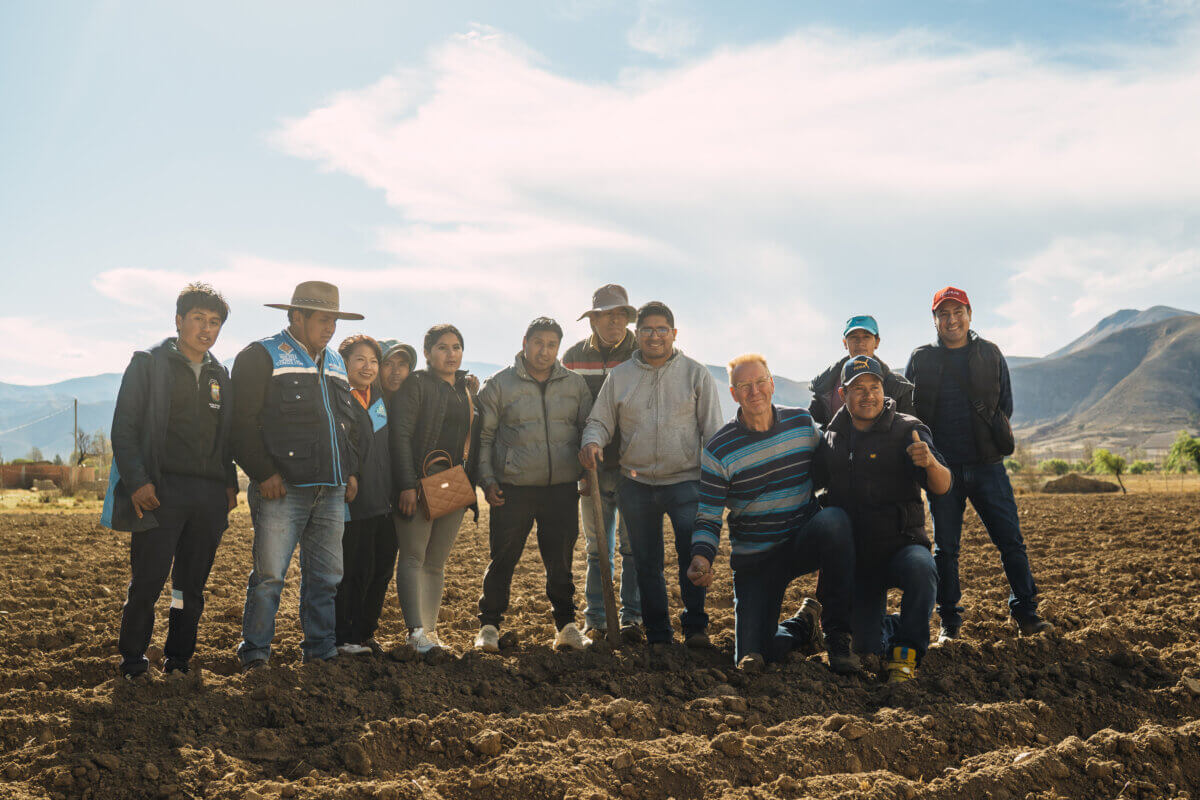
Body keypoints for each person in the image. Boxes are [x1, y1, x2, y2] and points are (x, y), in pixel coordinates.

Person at [686, 354, 858, 674]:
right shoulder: (718, 450)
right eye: (745, 386)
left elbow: (829, 468)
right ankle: (802, 626)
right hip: (756, 559)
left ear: (772, 384)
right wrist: (701, 557)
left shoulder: (801, 424)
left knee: (835, 521)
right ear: (734, 394)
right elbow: (708, 516)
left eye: (760, 382)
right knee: (754, 657)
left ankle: (837, 635)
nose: (755, 392)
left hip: (801, 542)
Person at [103, 283, 238, 680]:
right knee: (147, 581)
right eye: (198, 319)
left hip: (208, 497)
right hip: (161, 492)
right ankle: (133, 660)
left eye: (214, 322)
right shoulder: (149, 364)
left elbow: (226, 437)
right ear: (179, 320)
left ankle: (178, 659)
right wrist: (138, 482)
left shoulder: (220, 374)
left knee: (188, 588)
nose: (206, 329)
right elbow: (124, 429)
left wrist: (228, 485)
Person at [905, 286, 1051, 642]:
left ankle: (1026, 614)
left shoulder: (990, 353)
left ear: (969, 315)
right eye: (943, 314)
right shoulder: (921, 359)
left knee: (1011, 541)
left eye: (958, 312)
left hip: (988, 466)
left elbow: (1005, 405)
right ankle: (949, 622)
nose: (951, 320)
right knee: (946, 550)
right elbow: (909, 412)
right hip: (943, 470)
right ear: (934, 320)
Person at [232, 281, 364, 669]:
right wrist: (263, 473)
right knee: (270, 576)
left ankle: (320, 650)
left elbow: (347, 424)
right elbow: (240, 424)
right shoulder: (261, 356)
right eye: (323, 320)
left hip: (332, 489)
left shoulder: (336, 362)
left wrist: (350, 471)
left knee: (327, 576)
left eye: (334, 321)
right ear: (296, 317)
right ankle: (256, 653)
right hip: (282, 489)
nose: (330, 328)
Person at [580, 301, 723, 648]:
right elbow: (599, 420)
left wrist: (717, 481)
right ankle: (658, 635)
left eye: (662, 330)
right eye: (647, 330)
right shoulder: (621, 376)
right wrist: (592, 441)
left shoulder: (696, 374)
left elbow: (713, 432)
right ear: (638, 334)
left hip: (686, 482)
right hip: (636, 482)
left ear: (674, 333)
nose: (654, 336)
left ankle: (695, 627)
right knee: (646, 562)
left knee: (691, 554)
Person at [815, 355, 951, 682]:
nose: (868, 395)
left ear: (884, 390)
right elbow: (811, 483)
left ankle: (906, 652)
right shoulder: (832, 437)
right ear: (843, 394)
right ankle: (893, 626)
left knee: (922, 568)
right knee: (866, 647)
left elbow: (943, 485)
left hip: (901, 547)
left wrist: (930, 463)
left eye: (874, 387)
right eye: (858, 388)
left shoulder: (908, 429)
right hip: (859, 560)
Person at [474, 318, 593, 651]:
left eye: (552, 344)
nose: (544, 351)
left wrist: (585, 473)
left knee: (561, 561)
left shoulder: (575, 384)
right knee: (503, 558)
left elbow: (587, 430)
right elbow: (484, 438)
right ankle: (489, 627)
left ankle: (566, 627)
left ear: (558, 347)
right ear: (525, 342)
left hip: (561, 488)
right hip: (513, 488)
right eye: (538, 343)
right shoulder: (499, 384)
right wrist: (488, 480)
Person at [389, 323, 480, 654]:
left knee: (436, 562)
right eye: (442, 347)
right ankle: (414, 633)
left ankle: (430, 633)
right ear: (427, 353)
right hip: (418, 480)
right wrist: (406, 484)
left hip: (453, 481)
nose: (451, 354)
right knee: (413, 555)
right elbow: (400, 435)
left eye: (456, 347)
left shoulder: (464, 388)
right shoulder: (416, 384)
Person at [561, 284, 642, 641]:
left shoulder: (642, 353)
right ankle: (596, 618)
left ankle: (632, 618)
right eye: (607, 315)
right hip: (592, 468)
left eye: (621, 315)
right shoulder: (574, 357)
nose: (615, 322)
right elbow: (568, 414)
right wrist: (579, 468)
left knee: (632, 548)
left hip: (634, 468)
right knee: (597, 550)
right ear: (593, 320)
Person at [334, 334, 395, 656]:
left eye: (373, 361)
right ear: (344, 362)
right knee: (354, 570)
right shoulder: (338, 397)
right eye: (360, 359)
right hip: (355, 501)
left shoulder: (379, 398)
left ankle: (365, 632)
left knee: (380, 570)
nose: (367, 367)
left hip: (385, 499)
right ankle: (344, 636)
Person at [808, 315, 914, 428]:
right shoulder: (824, 384)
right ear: (845, 342)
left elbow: (909, 427)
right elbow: (812, 424)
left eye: (866, 337)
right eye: (854, 337)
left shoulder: (897, 386)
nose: (860, 342)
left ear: (877, 342)